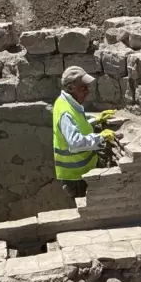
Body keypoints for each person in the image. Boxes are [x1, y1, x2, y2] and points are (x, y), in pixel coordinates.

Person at [53, 66, 116, 200]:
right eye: (83, 88)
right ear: (70, 88)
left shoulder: (67, 102)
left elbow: (78, 125)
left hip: (82, 172)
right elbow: (75, 143)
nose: (88, 91)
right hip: (76, 177)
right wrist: (100, 138)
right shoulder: (66, 111)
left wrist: (95, 120)